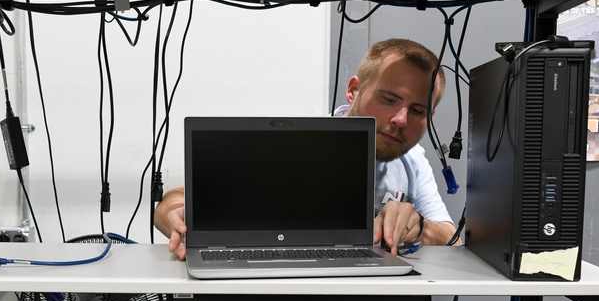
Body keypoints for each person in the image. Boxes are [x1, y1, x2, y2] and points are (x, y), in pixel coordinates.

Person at [154, 37, 457, 258]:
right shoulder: (302, 143)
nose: (401, 119)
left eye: (418, 111)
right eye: (389, 100)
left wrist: (419, 227)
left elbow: (452, 238)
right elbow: (173, 201)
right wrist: (172, 214)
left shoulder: (413, 160)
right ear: (353, 91)